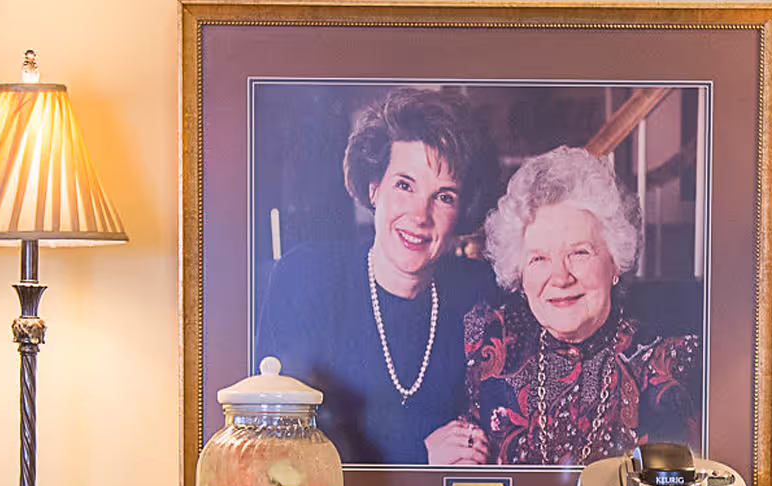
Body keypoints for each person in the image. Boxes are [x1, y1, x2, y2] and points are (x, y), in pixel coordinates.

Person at [255, 88, 501, 464]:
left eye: (444, 196)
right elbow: (276, 445)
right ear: (374, 188)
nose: (420, 215)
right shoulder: (306, 279)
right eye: (405, 185)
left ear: (462, 210)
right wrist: (417, 456)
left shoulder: (482, 291)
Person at [427, 147, 701, 466]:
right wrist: (443, 462)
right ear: (520, 273)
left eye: (579, 253)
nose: (560, 277)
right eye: (539, 258)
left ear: (615, 262)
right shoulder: (488, 344)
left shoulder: (672, 360)